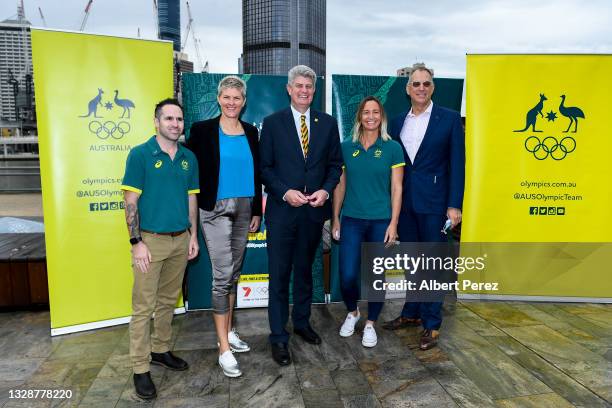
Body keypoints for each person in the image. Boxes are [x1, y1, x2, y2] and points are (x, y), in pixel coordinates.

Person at [260, 65, 343, 365]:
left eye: (309, 86)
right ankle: (279, 337)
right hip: (283, 213)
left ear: (314, 89)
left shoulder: (328, 123)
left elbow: (335, 165)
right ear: (289, 89)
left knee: (305, 272)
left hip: (313, 213)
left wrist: (325, 190)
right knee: (280, 276)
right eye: (299, 86)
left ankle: (303, 323)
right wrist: (285, 192)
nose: (304, 90)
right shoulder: (272, 123)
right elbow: (265, 168)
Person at [121, 98, 199, 400]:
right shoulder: (140, 155)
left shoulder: (188, 158)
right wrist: (136, 241)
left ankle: (161, 350)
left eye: (179, 119)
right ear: (156, 121)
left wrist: (192, 234)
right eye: (169, 119)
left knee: (168, 301)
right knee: (143, 308)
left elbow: (191, 197)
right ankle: (140, 368)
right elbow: (130, 202)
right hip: (149, 242)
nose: (175, 124)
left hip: (180, 239)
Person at [385, 63, 465, 350]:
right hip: (404, 205)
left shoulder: (450, 119)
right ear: (407, 90)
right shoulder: (395, 123)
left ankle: (431, 324)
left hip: (435, 205)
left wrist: (454, 206)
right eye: (416, 84)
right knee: (411, 262)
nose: (421, 88)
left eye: (426, 83)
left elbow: (458, 164)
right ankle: (411, 313)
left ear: (433, 87)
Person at [186, 75, 261, 378]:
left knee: (234, 274)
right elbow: (188, 166)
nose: (232, 102)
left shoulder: (251, 132)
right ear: (219, 99)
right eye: (227, 97)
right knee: (221, 276)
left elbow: (256, 174)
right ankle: (223, 350)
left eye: (237, 98)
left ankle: (229, 331)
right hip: (213, 209)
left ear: (244, 102)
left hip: (245, 207)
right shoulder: (202, 131)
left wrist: (256, 209)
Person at [332, 96, 404, 347]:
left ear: (381, 117)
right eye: (366, 112)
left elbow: (397, 188)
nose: (370, 117)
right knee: (348, 275)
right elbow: (340, 185)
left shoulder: (392, 147)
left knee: (376, 276)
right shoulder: (345, 147)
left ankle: (371, 323)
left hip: (380, 221)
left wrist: (394, 223)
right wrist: (335, 218)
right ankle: (352, 312)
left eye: (375, 112)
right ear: (359, 117)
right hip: (351, 218)